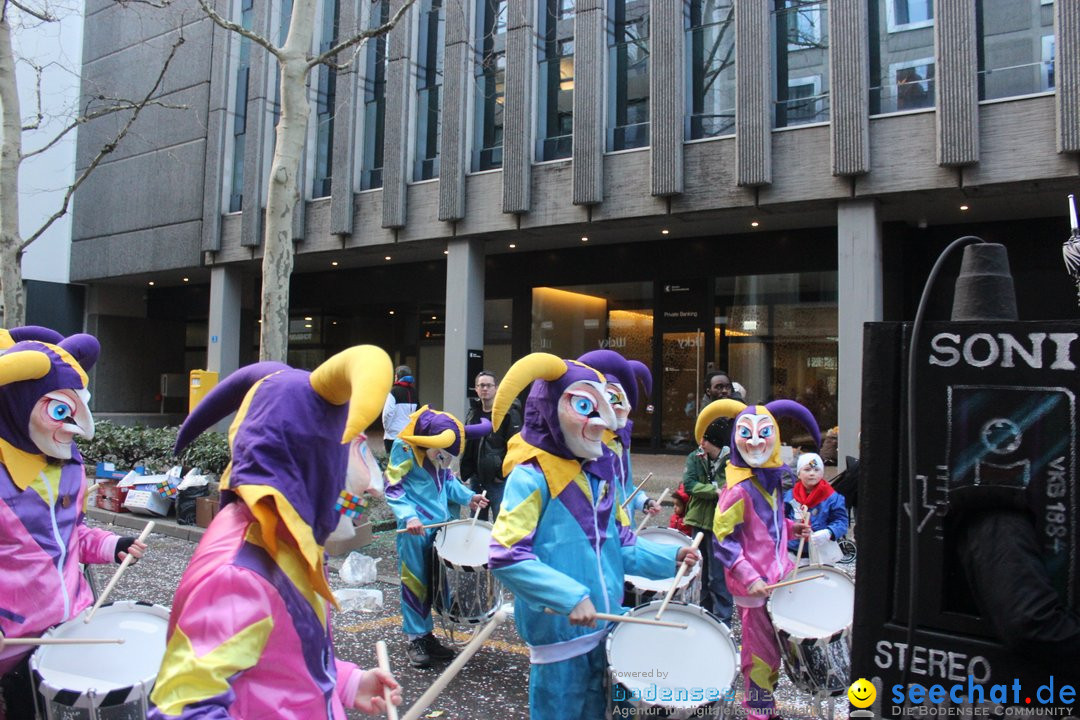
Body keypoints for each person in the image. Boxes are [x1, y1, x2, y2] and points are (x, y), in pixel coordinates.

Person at [148, 347, 403, 718]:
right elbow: (183, 711)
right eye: (355, 450)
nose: (374, 488)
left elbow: (281, 661)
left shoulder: (286, 538)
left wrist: (345, 682)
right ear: (310, 455)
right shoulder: (240, 576)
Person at [488, 352, 699, 720]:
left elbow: (621, 545)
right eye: (585, 405)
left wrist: (670, 559)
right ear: (552, 408)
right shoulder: (530, 477)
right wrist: (569, 597)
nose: (603, 421)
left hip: (609, 631)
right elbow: (506, 555)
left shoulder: (601, 476)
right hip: (559, 639)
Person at [0, 327, 147, 719]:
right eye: (60, 411)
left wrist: (112, 545)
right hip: (11, 646)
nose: (80, 428)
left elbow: (72, 534)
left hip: (67, 630)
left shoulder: (68, 464)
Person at [702, 398, 817, 720]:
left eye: (764, 432)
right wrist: (749, 576)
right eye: (746, 433)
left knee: (777, 650)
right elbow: (723, 539)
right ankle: (758, 712)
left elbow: (769, 527)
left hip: (780, 577)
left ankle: (767, 705)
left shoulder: (771, 480)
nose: (754, 441)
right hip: (755, 588)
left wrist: (794, 529)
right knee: (759, 653)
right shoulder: (737, 489)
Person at [385, 406, 489, 668]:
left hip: (441, 528)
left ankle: (427, 635)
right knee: (415, 583)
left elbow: (448, 481)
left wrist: (469, 498)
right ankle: (415, 639)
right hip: (414, 530)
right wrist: (409, 516)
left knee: (435, 585)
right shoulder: (405, 448)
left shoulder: (439, 454)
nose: (443, 457)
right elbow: (393, 487)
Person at [576, 350, 660, 521]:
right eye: (612, 399)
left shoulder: (620, 441)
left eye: (623, 400)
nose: (623, 407)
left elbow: (625, 487)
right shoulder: (590, 444)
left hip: (624, 533)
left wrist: (644, 501)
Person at [682, 416, 734, 624]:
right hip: (698, 520)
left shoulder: (732, 461)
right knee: (699, 571)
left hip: (720, 524)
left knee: (718, 575)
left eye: (707, 440)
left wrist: (720, 491)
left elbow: (730, 488)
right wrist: (713, 491)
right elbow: (690, 485)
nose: (701, 443)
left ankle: (722, 619)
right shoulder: (696, 457)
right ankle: (703, 615)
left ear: (717, 443)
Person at [460, 370, 522, 522]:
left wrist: (502, 475)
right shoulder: (473, 412)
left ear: (496, 388)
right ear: (476, 388)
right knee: (476, 523)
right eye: (481, 385)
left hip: (498, 480)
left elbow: (516, 446)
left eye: (488, 385)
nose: (485, 389)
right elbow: (468, 442)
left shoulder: (508, 413)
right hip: (476, 477)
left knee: (502, 523)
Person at [783, 452, 847, 565]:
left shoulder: (832, 498)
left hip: (821, 553)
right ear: (799, 474)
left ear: (822, 473)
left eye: (816, 470)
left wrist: (829, 532)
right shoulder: (790, 496)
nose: (812, 473)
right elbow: (780, 519)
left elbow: (841, 521)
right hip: (792, 552)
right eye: (807, 470)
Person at [382, 364, 418, 453]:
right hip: (408, 437)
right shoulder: (414, 392)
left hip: (393, 437)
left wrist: (387, 428)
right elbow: (418, 413)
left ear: (397, 377)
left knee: (393, 462)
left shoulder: (394, 391)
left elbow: (388, 413)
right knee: (405, 458)